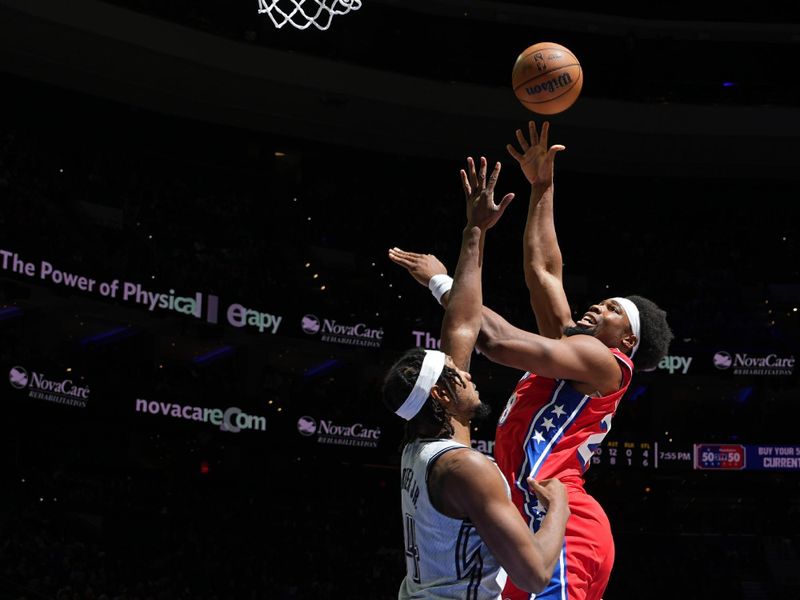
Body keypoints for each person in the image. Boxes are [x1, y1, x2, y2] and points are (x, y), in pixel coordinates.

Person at [389, 121, 673, 600]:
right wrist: (542, 186)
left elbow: (494, 340)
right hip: (533, 519)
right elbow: (543, 270)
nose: (599, 305)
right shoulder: (574, 356)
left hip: (562, 520)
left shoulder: (605, 363)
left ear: (626, 342)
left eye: (612, 311)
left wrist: (443, 283)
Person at [382, 156, 570, 599]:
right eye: (456, 375)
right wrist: (560, 506)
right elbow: (535, 574)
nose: (467, 374)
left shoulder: (425, 442)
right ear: (442, 397)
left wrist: (475, 231)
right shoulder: (464, 468)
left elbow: (462, 324)